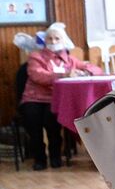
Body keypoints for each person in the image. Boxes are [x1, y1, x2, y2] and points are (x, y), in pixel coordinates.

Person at [20, 22, 102, 170]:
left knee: (53, 123)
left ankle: (55, 156)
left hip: (55, 99)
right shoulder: (36, 56)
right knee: (33, 121)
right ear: (45, 41)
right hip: (34, 98)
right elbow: (38, 76)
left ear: (63, 41)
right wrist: (63, 74)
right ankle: (39, 158)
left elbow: (94, 68)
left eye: (57, 38)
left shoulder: (69, 59)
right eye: (50, 39)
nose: (53, 42)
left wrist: (86, 71)